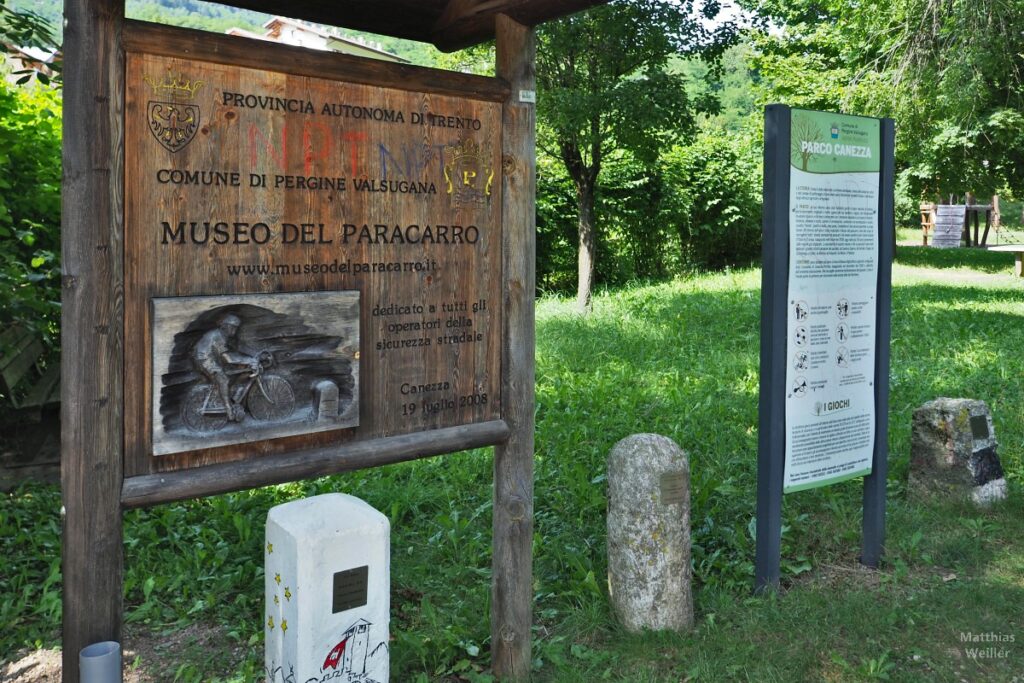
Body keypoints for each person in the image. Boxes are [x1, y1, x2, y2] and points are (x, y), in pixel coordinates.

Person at [192, 313, 259, 422]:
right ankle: (229, 409)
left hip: (213, 357)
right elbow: (228, 358)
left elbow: (238, 348)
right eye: (232, 327)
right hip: (204, 358)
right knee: (223, 379)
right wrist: (250, 360)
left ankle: (231, 395)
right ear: (224, 326)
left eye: (236, 328)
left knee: (236, 371)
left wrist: (255, 354)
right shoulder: (217, 336)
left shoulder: (224, 336)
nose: (234, 330)